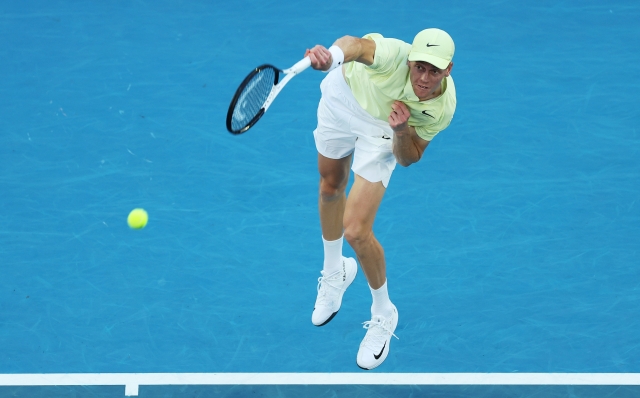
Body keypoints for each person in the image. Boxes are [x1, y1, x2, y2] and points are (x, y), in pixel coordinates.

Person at [304, 28, 456, 370]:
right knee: (330, 185)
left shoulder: (441, 108)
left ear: (448, 70)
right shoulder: (391, 55)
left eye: (434, 70)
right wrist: (332, 56)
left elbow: (408, 157)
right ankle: (335, 272)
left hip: (385, 130)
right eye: (419, 67)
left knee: (356, 231)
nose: (424, 77)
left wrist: (402, 131)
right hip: (343, 98)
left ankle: (384, 312)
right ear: (410, 60)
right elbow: (354, 45)